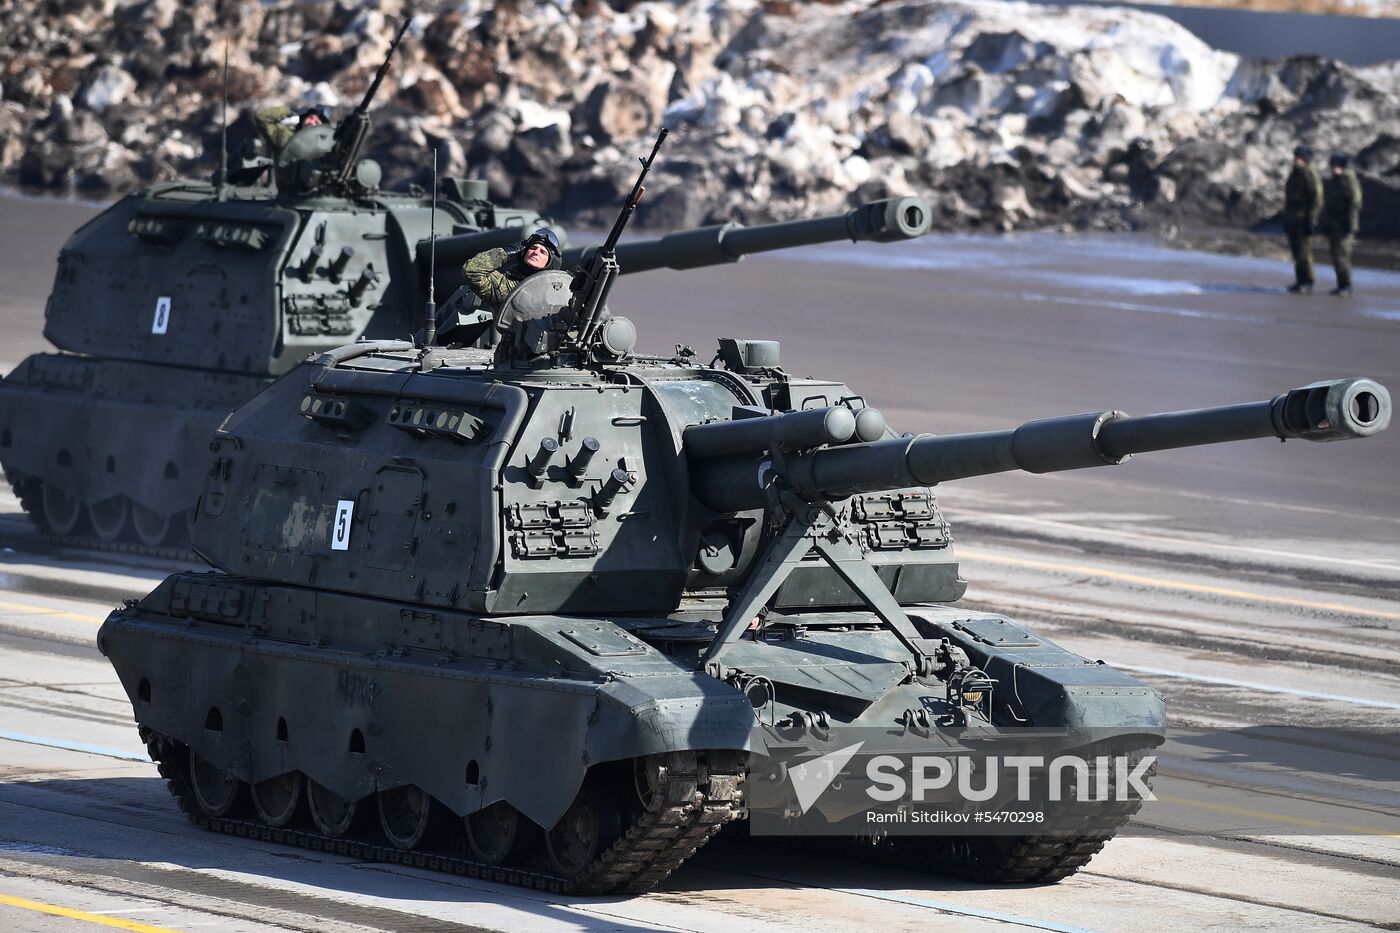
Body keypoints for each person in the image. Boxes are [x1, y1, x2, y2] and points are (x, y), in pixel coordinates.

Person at [463, 229, 563, 319]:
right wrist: (506, 252)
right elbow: (472, 270)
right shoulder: (506, 287)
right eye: (532, 248)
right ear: (523, 252)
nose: (536, 252)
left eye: (543, 252)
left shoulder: (556, 291)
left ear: (550, 262)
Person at [1282, 144, 1323, 294]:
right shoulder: (1296, 173)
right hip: (1294, 217)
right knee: (1296, 251)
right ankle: (1300, 280)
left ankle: (1308, 281)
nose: (1296, 160)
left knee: (1304, 252)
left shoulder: (1309, 174)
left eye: (1299, 158)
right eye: (1295, 157)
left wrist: (1311, 220)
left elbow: (1316, 199)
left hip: (1304, 218)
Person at [1323, 152, 1362, 297]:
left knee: (1342, 255)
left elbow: (1354, 204)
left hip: (1345, 224)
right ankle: (1341, 284)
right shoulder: (1335, 181)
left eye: (1336, 166)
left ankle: (1346, 285)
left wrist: (1351, 225)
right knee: (1335, 255)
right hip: (1335, 223)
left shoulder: (1349, 181)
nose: (1333, 169)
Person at [253, 104, 332, 155]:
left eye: (317, 122)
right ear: (304, 118)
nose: (311, 122)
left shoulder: (321, 151)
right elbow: (261, 117)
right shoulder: (285, 137)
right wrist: (291, 112)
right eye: (310, 118)